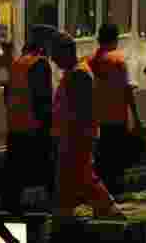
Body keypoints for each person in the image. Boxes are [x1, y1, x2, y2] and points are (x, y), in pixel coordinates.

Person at [50, 32, 126, 221]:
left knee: (81, 175)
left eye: (56, 55)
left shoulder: (79, 74)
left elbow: (81, 110)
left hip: (77, 135)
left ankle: (108, 209)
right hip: (72, 134)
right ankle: (65, 214)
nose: (53, 59)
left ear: (66, 52)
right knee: (70, 176)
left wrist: (70, 134)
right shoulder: (74, 73)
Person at [2, 24, 57, 213]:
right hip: (34, 129)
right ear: (43, 46)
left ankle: (10, 214)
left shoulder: (17, 63)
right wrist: (49, 128)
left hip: (14, 129)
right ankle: (52, 213)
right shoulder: (40, 64)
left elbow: (7, 96)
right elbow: (42, 100)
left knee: (14, 178)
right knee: (48, 172)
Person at [89, 23, 144, 196]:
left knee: (101, 159)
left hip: (96, 119)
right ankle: (116, 193)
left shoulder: (91, 61)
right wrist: (135, 116)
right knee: (116, 160)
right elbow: (126, 91)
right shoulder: (118, 60)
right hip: (116, 118)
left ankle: (102, 193)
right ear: (115, 39)